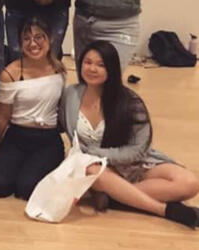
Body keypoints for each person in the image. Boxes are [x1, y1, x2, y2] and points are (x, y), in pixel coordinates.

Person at [61, 40, 199, 228]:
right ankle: (163, 210)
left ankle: (116, 197)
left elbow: (138, 150)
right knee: (93, 170)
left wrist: (97, 152)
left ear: (112, 69)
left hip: (132, 163)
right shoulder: (71, 95)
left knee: (190, 183)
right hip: (98, 169)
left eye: (101, 65)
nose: (92, 69)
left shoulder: (130, 101)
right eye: (88, 62)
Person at [0, 16, 66, 200]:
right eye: (26, 38)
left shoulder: (59, 69)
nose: (33, 44)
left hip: (47, 139)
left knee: (26, 188)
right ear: (20, 42)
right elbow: (3, 116)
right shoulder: (10, 73)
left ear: (50, 39)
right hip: (18, 135)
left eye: (39, 37)